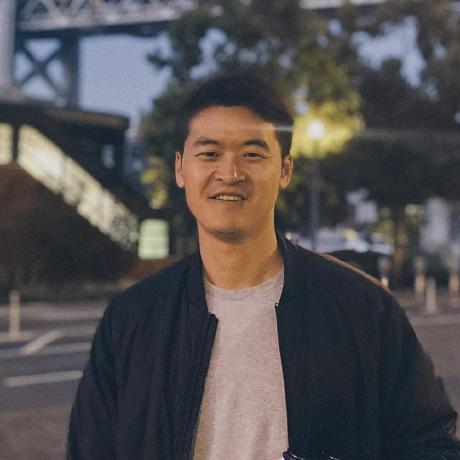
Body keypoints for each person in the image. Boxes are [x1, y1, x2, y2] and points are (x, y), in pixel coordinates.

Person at [67, 75, 460, 460]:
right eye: (210, 153)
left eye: (252, 154)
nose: (230, 173)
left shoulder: (363, 308)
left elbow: (431, 443)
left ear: (285, 170)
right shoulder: (131, 319)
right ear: (180, 169)